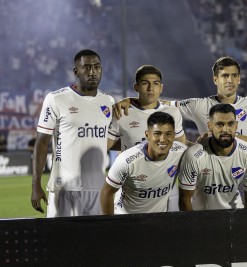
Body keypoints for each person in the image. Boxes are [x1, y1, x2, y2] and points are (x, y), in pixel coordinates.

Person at [31, 49, 115, 217]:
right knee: (61, 242)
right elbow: (41, 142)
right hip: (64, 189)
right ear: (76, 71)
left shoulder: (108, 101)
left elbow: (109, 140)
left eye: (97, 67)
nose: (93, 72)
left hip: (98, 189)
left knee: (97, 242)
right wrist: (36, 185)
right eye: (87, 67)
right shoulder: (56, 99)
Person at [113, 57, 247, 140]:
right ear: (215, 79)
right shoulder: (198, 105)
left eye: (234, 76)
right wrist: (132, 100)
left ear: (239, 79)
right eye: (225, 76)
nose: (229, 80)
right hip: (213, 178)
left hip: (245, 176)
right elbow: (159, 102)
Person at [100, 112, 187, 214]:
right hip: (125, 220)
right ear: (147, 135)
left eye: (168, 134)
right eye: (157, 133)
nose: (163, 139)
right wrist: (109, 225)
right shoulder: (127, 161)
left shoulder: (181, 151)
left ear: (174, 135)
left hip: (157, 220)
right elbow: (106, 193)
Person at [178, 103, 247, 210]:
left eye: (230, 124)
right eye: (219, 124)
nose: (225, 130)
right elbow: (184, 199)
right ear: (209, 126)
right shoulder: (193, 155)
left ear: (236, 125)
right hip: (203, 219)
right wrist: (193, 225)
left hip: (234, 217)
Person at [107, 65, 186, 150]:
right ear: (136, 87)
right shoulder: (121, 113)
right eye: (145, 83)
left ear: (161, 88)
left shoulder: (173, 112)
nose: (150, 88)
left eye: (155, 83)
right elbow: (104, 146)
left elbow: (181, 147)